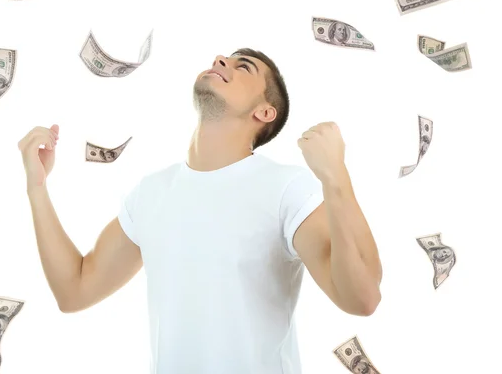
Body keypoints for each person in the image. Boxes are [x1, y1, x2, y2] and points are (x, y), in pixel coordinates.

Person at [19, 49, 383, 374]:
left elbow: (361, 298)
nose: (220, 60)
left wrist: (335, 178)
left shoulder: (286, 188)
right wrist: (37, 188)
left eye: (244, 67)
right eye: (222, 58)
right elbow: (75, 290)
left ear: (264, 111)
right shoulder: (151, 192)